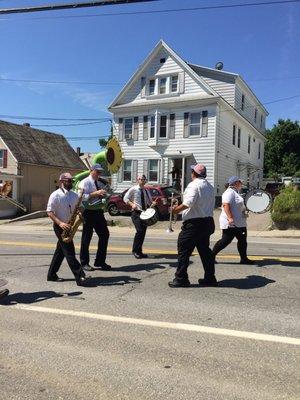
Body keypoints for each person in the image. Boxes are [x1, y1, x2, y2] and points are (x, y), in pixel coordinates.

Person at [168, 164, 217, 288]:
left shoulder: (193, 185)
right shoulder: (210, 186)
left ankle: (181, 278)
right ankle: (210, 277)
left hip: (194, 224)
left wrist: (175, 210)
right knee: (205, 251)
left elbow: (188, 203)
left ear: (194, 173)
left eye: (191, 171)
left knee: (183, 250)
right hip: (207, 222)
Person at [47, 172, 89, 286]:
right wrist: (60, 223)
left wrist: (80, 211)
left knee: (60, 252)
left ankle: (51, 275)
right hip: (60, 226)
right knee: (70, 252)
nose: (71, 183)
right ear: (62, 182)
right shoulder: (55, 195)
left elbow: (81, 207)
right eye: (69, 181)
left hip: (70, 225)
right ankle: (80, 276)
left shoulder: (74, 195)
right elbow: (49, 212)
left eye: (72, 181)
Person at [212, 176, 254, 265]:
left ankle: (244, 259)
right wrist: (230, 218)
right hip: (231, 222)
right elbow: (225, 205)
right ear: (235, 183)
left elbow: (237, 205)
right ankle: (211, 256)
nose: (241, 184)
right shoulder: (229, 192)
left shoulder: (236, 192)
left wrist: (244, 210)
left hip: (240, 222)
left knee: (242, 240)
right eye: (240, 182)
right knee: (225, 241)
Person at [79, 164, 111, 271]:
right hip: (88, 212)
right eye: (97, 172)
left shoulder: (98, 182)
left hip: (97, 211)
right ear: (91, 171)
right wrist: (95, 193)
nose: (99, 174)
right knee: (86, 237)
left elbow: (97, 195)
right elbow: (81, 196)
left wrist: (103, 196)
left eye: (100, 172)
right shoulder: (85, 182)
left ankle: (100, 261)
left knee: (104, 234)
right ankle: (84, 263)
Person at [124, 174, 157, 259]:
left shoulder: (146, 191)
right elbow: (125, 198)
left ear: (145, 180)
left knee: (142, 233)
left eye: (143, 179)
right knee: (139, 231)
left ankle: (140, 251)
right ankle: (135, 251)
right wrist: (132, 204)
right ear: (137, 180)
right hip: (136, 213)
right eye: (140, 179)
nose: (142, 181)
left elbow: (149, 203)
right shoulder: (133, 189)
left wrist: (153, 204)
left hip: (144, 213)